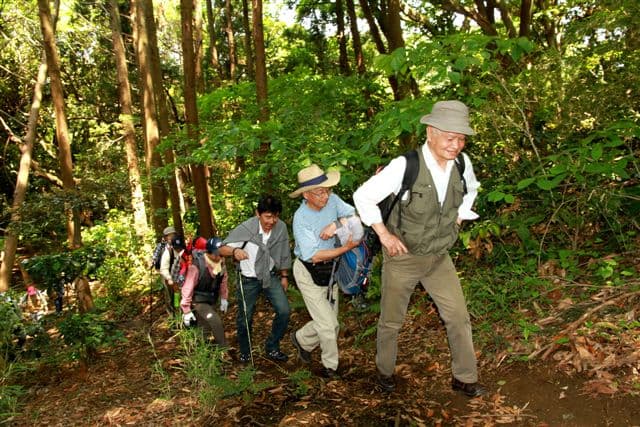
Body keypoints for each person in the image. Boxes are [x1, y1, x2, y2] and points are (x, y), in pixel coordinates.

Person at [353, 100, 486, 397]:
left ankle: (464, 377)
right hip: (403, 258)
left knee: (458, 317)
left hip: (439, 257)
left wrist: (459, 219)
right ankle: (384, 372)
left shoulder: (462, 164)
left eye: (461, 139)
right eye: (450, 138)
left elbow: (472, 189)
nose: (456, 145)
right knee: (391, 321)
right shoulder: (406, 166)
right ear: (430, 133)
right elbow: (363, 196)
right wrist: (384, 235)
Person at [289, 165, 360, 378]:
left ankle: (301, 339)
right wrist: (346, 248)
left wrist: (336, 224)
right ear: (306, 195)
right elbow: (314, 256)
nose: (326, 196)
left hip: (330, 272)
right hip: (308, 272)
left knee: (331, 323)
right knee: (328, 326)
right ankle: (330, 367)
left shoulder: (333, 200)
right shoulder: (301, 218)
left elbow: (354, 215)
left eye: (327, 190)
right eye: (320, 192)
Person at [219, 195, 292, 364]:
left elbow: (283, 252)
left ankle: (272, 347)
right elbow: (221, 248)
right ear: (258, 213)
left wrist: (284, 276)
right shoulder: (246, 228)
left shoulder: (280, 228)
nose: (272, 221)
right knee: (245, 317)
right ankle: (245, 352)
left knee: (284, 311)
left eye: (275, 216)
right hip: (248, 279)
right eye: (268, 216)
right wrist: (234, 251)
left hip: (269, 275)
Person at [180, 237, 228, 345]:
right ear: (211, 253)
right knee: (215, 321)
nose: (221, 257)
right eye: (219, 254)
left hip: (210, 298)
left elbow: (223, 281)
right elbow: (187, 287)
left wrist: (224, 298)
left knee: (204, 325)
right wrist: (186, 309)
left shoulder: (221, 264)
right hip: (197, 299)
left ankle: (201, 348)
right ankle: (224, 348)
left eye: (222, 254)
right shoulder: (197, 266)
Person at [159, 231, 186, 314]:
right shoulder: (168, 253)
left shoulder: (185, 251)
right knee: (172, 296)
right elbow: (163, 269)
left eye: (179, 247)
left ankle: (183, 311)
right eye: (176, 248)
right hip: (169, 276)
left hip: (181, 275)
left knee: (183, 294)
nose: (178, 250)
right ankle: (174, 313)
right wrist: (170, 279)